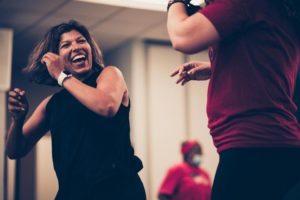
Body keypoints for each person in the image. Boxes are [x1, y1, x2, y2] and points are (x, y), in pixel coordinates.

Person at [167, 0, 300, 200]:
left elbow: (182, 37)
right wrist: (216, 67)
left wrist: (174, 3)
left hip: (253, 150)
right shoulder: (276, 9)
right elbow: (269, 65)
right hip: (274, 148)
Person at [6, 20, 146, 200]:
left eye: (81, 41)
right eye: (66, 45)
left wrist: (61, 77)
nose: (77, 47)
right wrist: (17, 120)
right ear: (55, 58)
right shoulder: (52, 104)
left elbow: (107, 106)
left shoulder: (109, 75)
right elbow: (15, 151)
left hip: (117, 191)